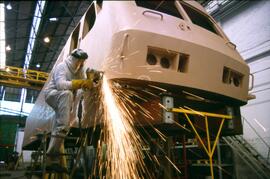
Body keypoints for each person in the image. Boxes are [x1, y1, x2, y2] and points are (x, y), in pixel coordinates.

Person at [44, 48, 94, 169]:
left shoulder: (80, 70)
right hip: (53, 94)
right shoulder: (62, 66)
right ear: (73, 59)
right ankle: (53, 155)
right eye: (79, 61)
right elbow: (61, 85)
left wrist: (91, 81)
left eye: (82, 62)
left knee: (59, 128)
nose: (80, 64)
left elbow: (83, 87)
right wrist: (79, 83)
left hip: (66, 98)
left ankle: (52, 160)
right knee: (67, 96)